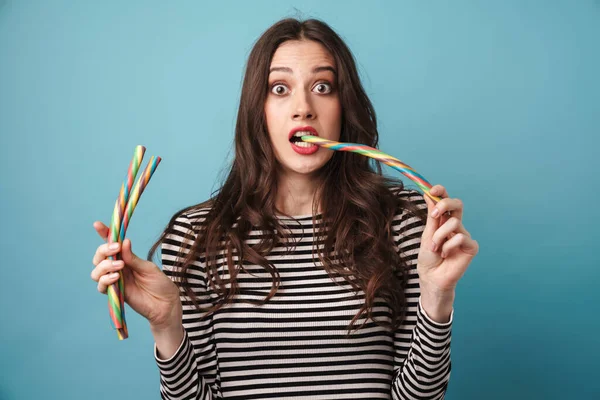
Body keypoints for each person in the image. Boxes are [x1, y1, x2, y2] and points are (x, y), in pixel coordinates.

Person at [91, 18, 478, 400]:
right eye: (280, 88)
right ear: (257, 109)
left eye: (323, 87)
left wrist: (436, 295)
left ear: (344, 106)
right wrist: (166, 325)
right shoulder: (197, 237)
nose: (303, 108)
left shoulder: (407, 226)